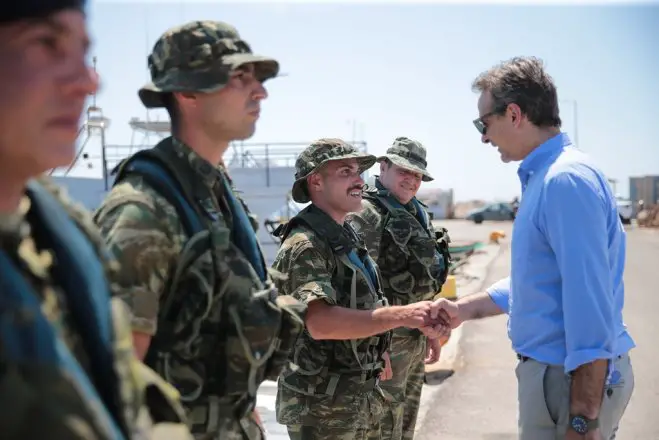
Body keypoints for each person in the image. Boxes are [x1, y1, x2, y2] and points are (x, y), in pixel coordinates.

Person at [94, 20, 307, 439]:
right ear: (187, 92)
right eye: (238, 77)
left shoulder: (215, 193)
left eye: (258, 78)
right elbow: (117, 387)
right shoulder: (145, 212)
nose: (260, 91)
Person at [0, 1, 193, 439]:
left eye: (82, 53)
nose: (89, 82)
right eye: (46, 43)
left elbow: (123, 387)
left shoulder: (55, 228)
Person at [437, 56, 635, 440]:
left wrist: (583, 417)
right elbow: (543, 280)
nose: (483, 136)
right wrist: (464, 309)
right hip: (559, 379)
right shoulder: (548, 176)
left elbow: (588, 300)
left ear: (513, 114)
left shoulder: (564, 181)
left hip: (569, 384)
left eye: (484, 123)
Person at [271, 139, 451, 440]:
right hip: (322, 403)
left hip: (352, 390)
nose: (359, 181)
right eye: (346, 172)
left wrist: (380, 349)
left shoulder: (343, 235)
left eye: (358, 172)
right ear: (316, 181)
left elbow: (363, 297)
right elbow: (320, 323)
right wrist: (400, 316)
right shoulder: (306, 244)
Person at [346, 136, 451, 440]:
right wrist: (375, 349)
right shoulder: (366, 212)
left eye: (417, 175)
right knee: (379, 428)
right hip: (386, 344)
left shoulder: (418, 211)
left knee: (405, 427)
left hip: (415, 338)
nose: (411, 180)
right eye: (404, 171)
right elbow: (358, 286)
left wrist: (430, 330)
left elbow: (426, 278)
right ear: (384, 166)